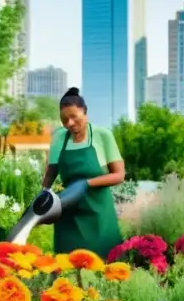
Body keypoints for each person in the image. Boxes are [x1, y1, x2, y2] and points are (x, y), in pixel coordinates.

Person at [41, 88, 125, 259]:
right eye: (64, 120)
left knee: (107, 266)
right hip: (68, 213)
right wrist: (43, 196)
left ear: (85, 113)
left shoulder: (102, 136)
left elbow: (119, 175)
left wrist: (87, 183)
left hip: (98, 214)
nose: (69, 123)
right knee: (67, 267)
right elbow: (51, 172)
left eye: (74, 117)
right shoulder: (59, 138)